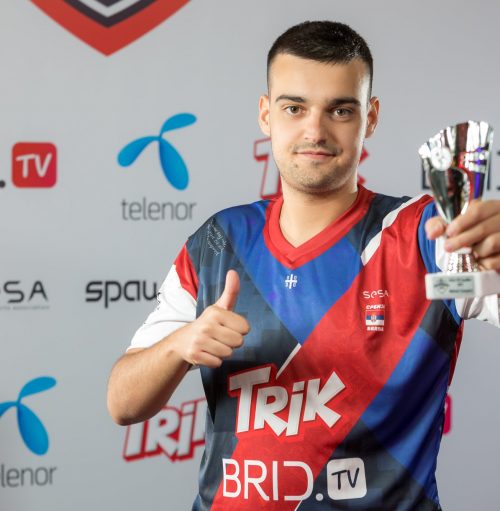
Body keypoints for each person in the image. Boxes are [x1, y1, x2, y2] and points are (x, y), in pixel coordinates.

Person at [107, 21, 500, 510]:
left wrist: (492, 252)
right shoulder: (218, 241)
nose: (315, 131)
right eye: (294, 108)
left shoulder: (424, 236)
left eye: (340, 110)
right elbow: (123, 403)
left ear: (370, 118)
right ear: (265, 114)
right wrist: (179, 345)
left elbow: (482, 265)